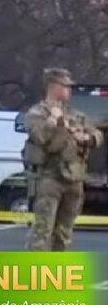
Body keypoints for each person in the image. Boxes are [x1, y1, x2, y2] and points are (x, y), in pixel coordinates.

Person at [23, 68, 103, 251]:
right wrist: (54, 121)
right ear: (54, 86)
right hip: (50, 177)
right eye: (65, 86)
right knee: (43, 231)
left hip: (74, 177)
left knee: (64, 232)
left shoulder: (75, 115)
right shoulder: (37, 113)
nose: (69, 90)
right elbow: (42, 138)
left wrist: (87, 138)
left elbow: (97, 134)